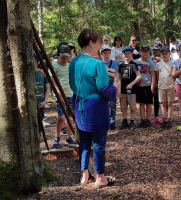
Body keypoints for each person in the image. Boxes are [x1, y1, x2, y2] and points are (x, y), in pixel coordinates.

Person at [69, 29, 117, 187]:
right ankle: (101, 178)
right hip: (96, 109)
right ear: (91, 42)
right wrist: (115, 86)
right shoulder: (97, 63)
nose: (101, 45)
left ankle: (84, 176)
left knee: (84, 142)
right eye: (99, 42)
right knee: (98, 144)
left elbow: (72, 85)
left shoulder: (74, 62)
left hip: (79, 106)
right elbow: (104, 89)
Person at [49, 44, 77, 148]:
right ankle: (57, 137)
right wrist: (58, 91)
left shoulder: (70, 65)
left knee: (70, 117)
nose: (65, 59)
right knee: (61, 117)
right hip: (59, 95)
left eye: (67, 57)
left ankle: (69, 138)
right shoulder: (54, 65)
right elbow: (51, 81)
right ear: (58, 55)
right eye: (63, 57)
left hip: (70, 94)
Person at [118, 46, 142, 130]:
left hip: (132, 91)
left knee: (132, 107)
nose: (127, 55)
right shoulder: (121, 66)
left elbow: (139, 76)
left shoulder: (133, 64)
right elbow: (119, 78)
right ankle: (124, 121)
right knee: (123, 106)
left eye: (129, 53)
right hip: (123, 90)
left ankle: (132, 121)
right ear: (122, 54)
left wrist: (132, 84)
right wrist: (119, 89)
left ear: (131, 54)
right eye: (125, 54)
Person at [136, 44, 156, 128]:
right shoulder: (136, 62)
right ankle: (142, 120)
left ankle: (148, 120)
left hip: (148, 85)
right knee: (141, 104)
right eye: (143, 51)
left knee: (148, 103)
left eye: (147, 51)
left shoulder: (150, 62)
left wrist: (152, 86)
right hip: (139, 86)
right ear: (140, 52)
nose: (145, 53)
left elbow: (153, 75)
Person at [155, 46, 175, 128]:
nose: (164, 55)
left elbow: (174, 74)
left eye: (166, 53)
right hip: (161, 86)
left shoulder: (173, 63)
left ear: (169, 54)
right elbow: (157, 75)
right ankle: (164, 118)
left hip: (170, 86)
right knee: (163, 103)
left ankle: (169, 119)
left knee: (169, 103)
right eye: (162, 53)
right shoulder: (158, 64)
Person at [101, 45, 119, 130]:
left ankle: (112, 121)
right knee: (104, 104)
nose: (107, 55)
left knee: (112, 104)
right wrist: (109, 71)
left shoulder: (113, 62)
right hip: (103, 85)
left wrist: (105, 71)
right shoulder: (100, 63)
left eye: (108, 53)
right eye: (105, 53)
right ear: (102, 54)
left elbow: (114, 72)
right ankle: (104, 121)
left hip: (112, 84)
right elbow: (101, 73)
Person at [34, 54, 51, 131]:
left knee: (39, 127)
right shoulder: (24, 74)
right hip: (29, 106)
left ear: (36, 61)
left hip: (40, 104)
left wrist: (45, 101)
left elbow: (48, 88)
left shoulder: (42, 72)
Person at [150, 41, 163, 124]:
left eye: (157, 49)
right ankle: (156, 116)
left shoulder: (164, 58)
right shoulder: (151, 58)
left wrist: (159, 61)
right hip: (154, 81)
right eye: (154, 49)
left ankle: (166, 117)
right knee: (156, 99)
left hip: (162, 81)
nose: (155, 51)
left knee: (163, 100)